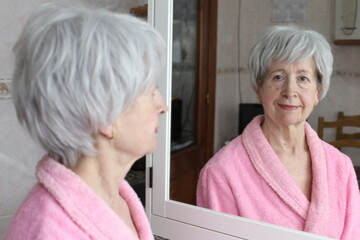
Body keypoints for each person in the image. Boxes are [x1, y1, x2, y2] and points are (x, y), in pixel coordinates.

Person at [4, 1, 168, 240]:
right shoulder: (49, 232)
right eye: (151, 92)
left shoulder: (117, 198)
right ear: (104, 116)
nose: (162, 107)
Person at [197, 25, 360, 239]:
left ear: (317, 92)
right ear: (258, 88)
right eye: (278, 77)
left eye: (303, 79)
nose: (290, 91)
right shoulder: (222, 172)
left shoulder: (341, 167)